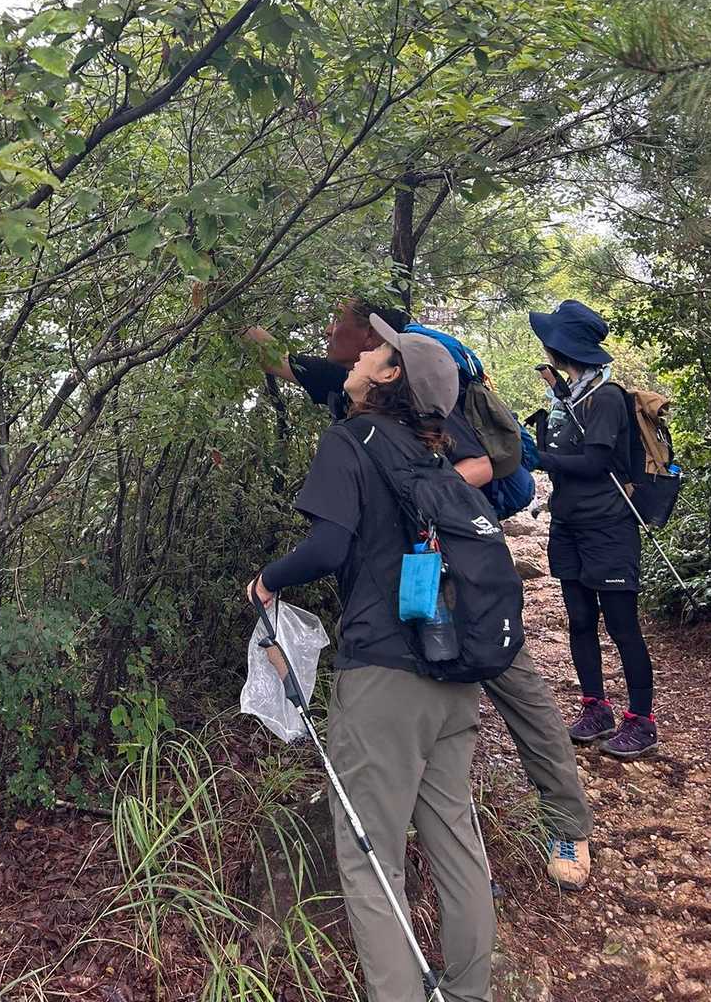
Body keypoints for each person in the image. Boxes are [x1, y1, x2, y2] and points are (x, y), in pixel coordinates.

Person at [246, 297, 594, 889]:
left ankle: (567, 823)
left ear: (373, 345)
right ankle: (425, 825)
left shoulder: (422, 393)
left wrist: (414, 496)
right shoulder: (343, 384)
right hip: (396, 576)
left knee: (515, 682)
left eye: (339, 323)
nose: (328, 330)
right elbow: (275, 357)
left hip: (456, 566)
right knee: (418, 687)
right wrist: (213, 289)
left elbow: (481, 463)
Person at [246, 320, 495, 1002]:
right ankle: (470, 992)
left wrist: (267, 581)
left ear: (388, 377)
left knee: (369, 859)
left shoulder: (351, 439)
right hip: (453, 671)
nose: (359, 353)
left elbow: (328, 547)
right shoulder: (432, 453)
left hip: (384, 676)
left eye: (375, 351)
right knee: (455, 840)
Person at [529, 300, 657, 760]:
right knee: (581, 620)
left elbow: (595, 463)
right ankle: (595, 708)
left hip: (608, 526)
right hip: (569, 523)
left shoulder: (605, 397)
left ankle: (641, 721)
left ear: (561, 347)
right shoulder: (569, 396)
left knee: (622, 626)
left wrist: (536, 457)